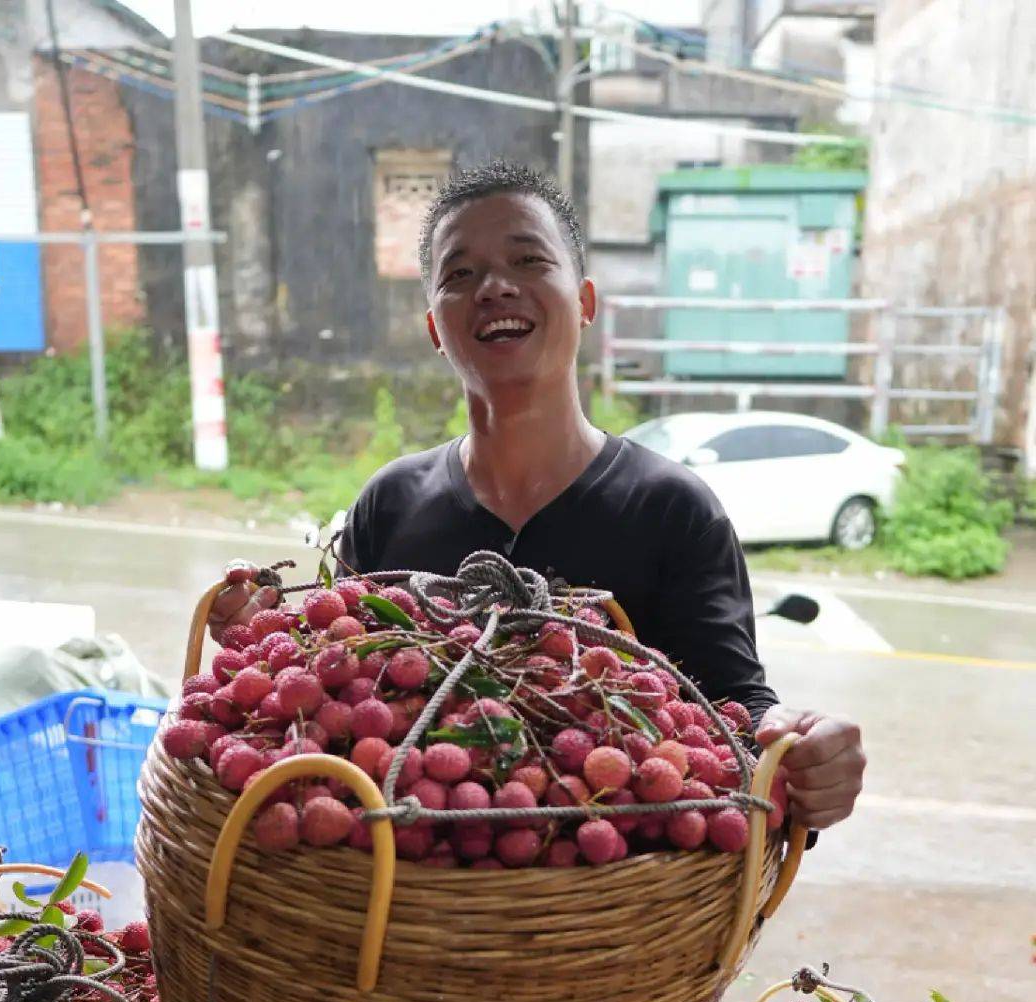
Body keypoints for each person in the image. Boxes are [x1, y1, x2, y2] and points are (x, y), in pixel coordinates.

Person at [214, 159, 864, 831]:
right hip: (402, 897)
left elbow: (735, 713)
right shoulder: (389, 504)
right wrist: (259, 643)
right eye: (459, 275)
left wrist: (801, 751)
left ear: (584, 303)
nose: (495, 287)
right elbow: (333, 686)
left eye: (528, 260)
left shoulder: (672, 509)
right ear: (436, 329)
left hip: (604, 907)